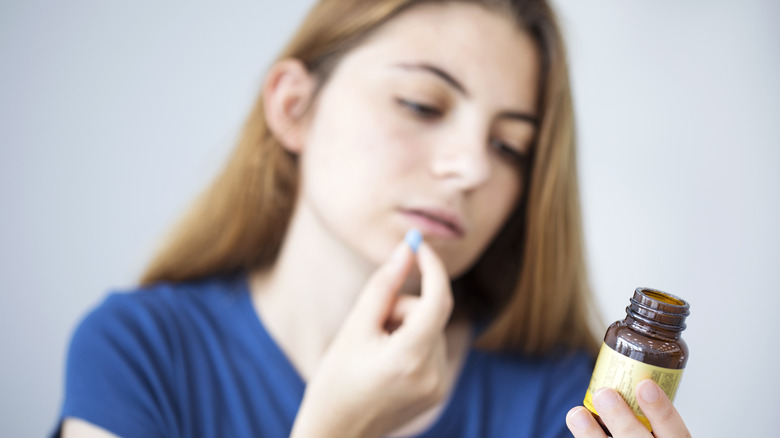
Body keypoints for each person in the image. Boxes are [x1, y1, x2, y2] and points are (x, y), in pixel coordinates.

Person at [53, 0, 693, 437]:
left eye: (509, 148)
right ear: (294, 106)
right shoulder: (138, 352)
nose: (472, 168)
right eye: (422, 104)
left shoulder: (563, 395)